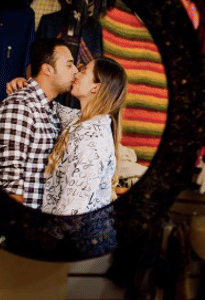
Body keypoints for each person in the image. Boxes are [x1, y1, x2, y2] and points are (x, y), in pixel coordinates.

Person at [8, 56, 128, 215]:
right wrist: (23, 84)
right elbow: (48, 106)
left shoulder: (92, 141)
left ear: (95, 87)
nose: (77, 73)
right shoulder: (79, 119)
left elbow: (72, 211)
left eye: (84, 71)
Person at [0, 38, 77, 209]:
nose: (75, 71)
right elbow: (10, 185)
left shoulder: (51, 109)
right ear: (47, 69)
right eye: (69, 65)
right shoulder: (20, 106)